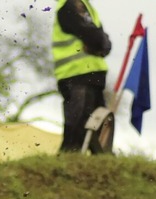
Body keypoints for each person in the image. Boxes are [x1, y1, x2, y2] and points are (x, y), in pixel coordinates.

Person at [52, 0, 112, 153]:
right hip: (76, 74)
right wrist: (101, 42)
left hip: (92, 74)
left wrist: (102, 42)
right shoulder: (69, 6)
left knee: (97, 125)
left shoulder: (85, 6)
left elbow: (102, 40)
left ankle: (98, 160)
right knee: (77, 124)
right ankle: (68, 160)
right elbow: (94, 36)